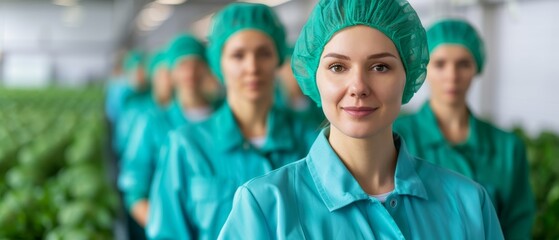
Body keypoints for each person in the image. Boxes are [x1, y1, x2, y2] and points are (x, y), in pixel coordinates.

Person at [218, 0, 504, 239]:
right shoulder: (266, 207)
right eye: (337, 67)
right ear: (314, 77)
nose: (358, 86)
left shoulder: (468, 204)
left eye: (380, 66)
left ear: (409, 75)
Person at [146, 3, 318, 240]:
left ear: (278, 58)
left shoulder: (311, 140)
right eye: (238, 55)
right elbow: (167, 233)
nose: (252, 67)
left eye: (263, 53)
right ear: (219, 63)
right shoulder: (187, 146)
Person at [393, 18, 535, 239]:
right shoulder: (394, 136)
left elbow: (517, 224)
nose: (452, 76)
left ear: (477, 67)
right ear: (423, 68)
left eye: (463, 64)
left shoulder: (508, 148)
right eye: (440, 64)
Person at [118, 34, 216, 228]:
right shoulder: (152, 122)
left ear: (207, 67)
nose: (190, 72)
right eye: (182, 65)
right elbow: (135, 188)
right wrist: (165, 230)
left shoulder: (223, 119)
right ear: (171, 72)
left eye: (196, 63)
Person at [113, 50, 155, 158]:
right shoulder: (124, 96)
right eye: (135, 71)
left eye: (142, 70)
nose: (139, 74)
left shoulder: (151, 96)